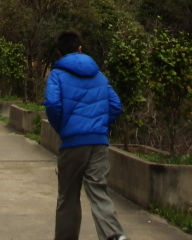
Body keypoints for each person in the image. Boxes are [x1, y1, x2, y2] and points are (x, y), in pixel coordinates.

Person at [44, 30, 129, 240]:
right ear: (80, 49)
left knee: (68, 196)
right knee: (98, 190)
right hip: (99, 141)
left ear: (59, 53)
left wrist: (64, 129)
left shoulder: (57, 73)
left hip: (73, 142)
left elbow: (53, 104)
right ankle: (114, 235)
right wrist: (99, 125)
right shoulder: (99, 75)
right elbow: (115, 106)